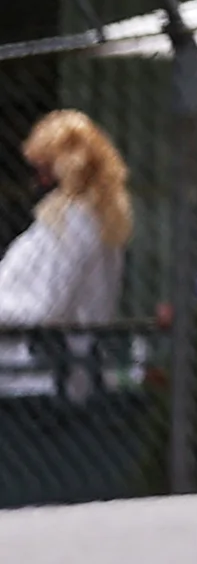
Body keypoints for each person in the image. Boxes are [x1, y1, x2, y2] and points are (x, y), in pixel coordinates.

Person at [0, 111, 131, 398]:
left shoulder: (75, 222)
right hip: (63, 368)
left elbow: (43, 305)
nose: (38, 180)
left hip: (36, 375)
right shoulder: (100, 217)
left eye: (44, 168)